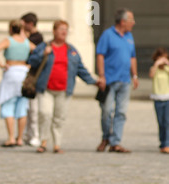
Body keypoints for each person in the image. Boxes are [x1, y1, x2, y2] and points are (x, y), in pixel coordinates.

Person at [28, 20, 98, 154]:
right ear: (54, 31)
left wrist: (93, 81)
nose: (64, 32)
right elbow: (32, 61)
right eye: (61, 29)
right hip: (46, 88)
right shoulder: (44, 46)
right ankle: (43, 142)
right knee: (45, 113)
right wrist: (43, 54)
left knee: (59, 117)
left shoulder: (71, 50)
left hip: (64, 90)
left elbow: (80, 69)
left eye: (66, 29)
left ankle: (57, 145)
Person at [96, 8, 138, 153]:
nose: (134, 23)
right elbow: (100, 55)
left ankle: (115, 142)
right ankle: (106, 137)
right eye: (131, 20)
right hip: (109, 80)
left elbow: (132, 57)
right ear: (123, 21)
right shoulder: (108, 35)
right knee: (106, 111)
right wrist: (101, 75)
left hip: (125, 80)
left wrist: (135, 75)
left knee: (121, 112)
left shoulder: (129, 36)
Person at [0, 19, 35, 147]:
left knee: (8, 104)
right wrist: (30, 65)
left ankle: (11, 137)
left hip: (11, 71)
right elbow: (38, 52)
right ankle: (20, 138)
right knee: (22, 106)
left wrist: (2, 65)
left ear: (11, 28)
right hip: (23, 72)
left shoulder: (8, 40)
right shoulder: (26, 42)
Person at [21, 12, 43, 147]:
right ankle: (29, 134)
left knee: (33, 107)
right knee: (28, 107)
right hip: (28, 74)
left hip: (33, 75)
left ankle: (35, 134)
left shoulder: (37, 38)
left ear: (29, 24)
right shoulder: (32, 37)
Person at [149, 47, 169, 154]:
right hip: (157, 98)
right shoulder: (155, 69)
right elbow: (151, 75)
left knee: (167, 122)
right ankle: (163, 143)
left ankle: (166, 143)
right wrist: (156, 64)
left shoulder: (167, 69)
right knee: (161, 122)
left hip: (167, 98)